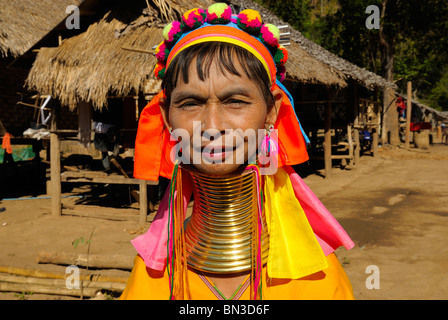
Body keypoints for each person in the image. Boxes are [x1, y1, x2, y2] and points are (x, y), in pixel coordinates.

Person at [120, 3, 354, 300]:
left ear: (271, 110)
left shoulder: (317, 279)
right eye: (191, 103)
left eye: (236, 101)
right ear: (167, 116)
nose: (212, 125)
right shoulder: (152, 276)